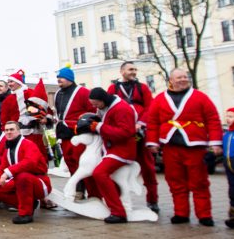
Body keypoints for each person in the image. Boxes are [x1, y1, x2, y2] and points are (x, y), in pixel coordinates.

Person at [145, 68, 222, 226]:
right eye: (179, 77)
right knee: (175, 181)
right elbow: (152, 122)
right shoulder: (160, 99)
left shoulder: (200, 97)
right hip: (170, 146)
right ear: (171, 80)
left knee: (199, 182)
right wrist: (152, 142)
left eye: (185, 77)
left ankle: (204, 214)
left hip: (194, 146)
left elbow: (213, 119)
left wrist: (215, 141)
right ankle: (181, 213)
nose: (183, 80)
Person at [79, 87, 139, 224]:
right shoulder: (106, 107)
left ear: (103, 100)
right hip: (111, 149)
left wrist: (99, 127)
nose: (95, 107)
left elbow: (125, 132)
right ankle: (115, 203)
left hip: (122, 150)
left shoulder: (122, 109)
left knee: (99, 173)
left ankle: (118, 212)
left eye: (96, 104)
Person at [107, 61, 158, 211]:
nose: (133, 72)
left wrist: (141, 123)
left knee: (148, 167)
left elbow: (151, 108)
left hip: (140, 133)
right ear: (122, 71)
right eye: (130, 69)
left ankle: (152, 200)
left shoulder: (142, 88)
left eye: (135, 69)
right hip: (121, 134)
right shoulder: (113, 88)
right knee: (116, 166)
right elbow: (108, 109)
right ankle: (116, 200)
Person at [0, 120, 51, 224]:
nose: (8, 132)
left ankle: (25, 214)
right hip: (20, 181)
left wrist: (8, 172)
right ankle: (30, 204)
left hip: (39, 181)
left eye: (12, 129)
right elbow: (2, 167)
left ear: (19, 131)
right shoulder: (8, 149)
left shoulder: (29, 144)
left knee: (23, 176)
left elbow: (30, 162)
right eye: (6, 130)